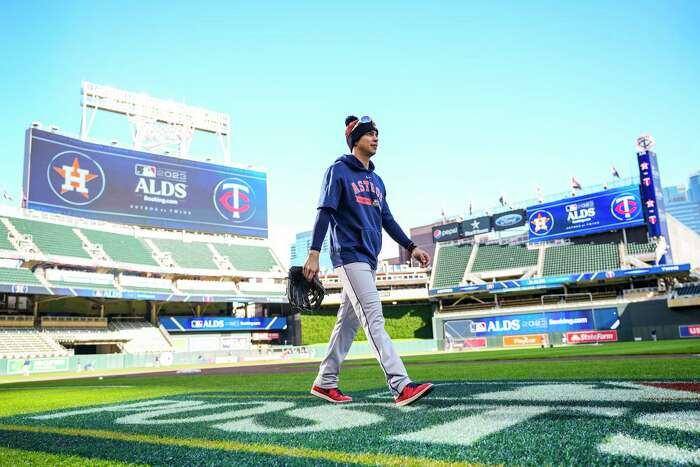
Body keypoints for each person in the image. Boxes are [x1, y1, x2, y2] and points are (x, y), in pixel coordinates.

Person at [304, 115, 434, 406]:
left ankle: (325, 382)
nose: (375, 138)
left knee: (347, 325)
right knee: (374, 318)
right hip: (349, 254)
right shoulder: (338, 171)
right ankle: (401, 386)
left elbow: (386, 218)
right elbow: (324, 211)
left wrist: (410, 246)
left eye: (377, 134)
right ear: (355, 140)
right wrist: (313, 253)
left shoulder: (376, 180)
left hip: (369, 257)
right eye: (369, 134)